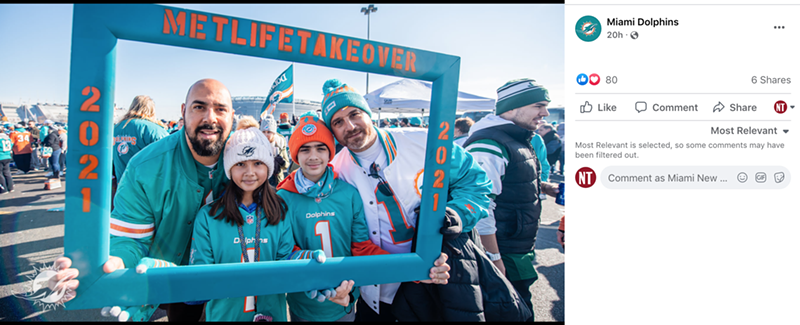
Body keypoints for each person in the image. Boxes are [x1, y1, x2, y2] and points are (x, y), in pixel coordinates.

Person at [52, 79, 237, 321]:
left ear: (232, 116)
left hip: (233, 275)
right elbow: (129, 238)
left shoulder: (250, 158)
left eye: (220, 109)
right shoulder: (145, 167)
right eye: (199, 107)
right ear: (183, 112)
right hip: (174, 276)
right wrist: (116, 262)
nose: (210, 118)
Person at [320, 79, 491, 321]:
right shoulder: (336, 169)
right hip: (375, 292)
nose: (350, 125)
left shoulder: (423, 141)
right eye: (338, 122)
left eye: (354, 114)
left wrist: (457, 215)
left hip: (436, 281)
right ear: (333, 131)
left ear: (367, 113)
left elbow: (475, 182)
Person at [189, 116, 353, 321]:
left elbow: (284, 259)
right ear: (229, 168)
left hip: (273, 315)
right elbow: (197, 283)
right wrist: (172, 277)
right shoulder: (209, 216)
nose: (250, 173)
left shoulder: (279, 209)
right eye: (240, 164)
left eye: (257, 163)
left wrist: (306, 263)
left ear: (268, 166)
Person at [277, 113, 390, 322]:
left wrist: (408, 267)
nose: (313, 156)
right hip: (304, 302)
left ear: (330, 152)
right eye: (305, 149)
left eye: (321, 148)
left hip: (344, 298)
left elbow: (361, 246)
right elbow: (283, 249)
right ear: (294, 154)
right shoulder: (283, 197)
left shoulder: (348, 193)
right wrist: (304, 262)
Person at [464, 78, 561, 322]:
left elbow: (511, 180)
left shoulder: (517, 136)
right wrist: (493, 258)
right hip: (504, 251)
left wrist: (545, 187)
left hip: (517, 247)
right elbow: (481, 207)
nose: (545, 113)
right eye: (538, 105)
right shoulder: (490, 143)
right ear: (512, 107)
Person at [113, 95, 170, 183]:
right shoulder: (154, 130)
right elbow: (171, 156)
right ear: (152, 110)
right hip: (146, 189)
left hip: (122, 187)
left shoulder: (116, 128)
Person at [259, 115, 290, 186]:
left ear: (274, 133)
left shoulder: (280, 142)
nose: (266, 135)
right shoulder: (258, 143)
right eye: (264, 132)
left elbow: (287, 164)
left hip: (277, 181)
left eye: (269, 132)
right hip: (262, 182)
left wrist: (281, 162)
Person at [531, 121, 550, 201]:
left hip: (533, 186)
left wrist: (541, 183)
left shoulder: (536, 139)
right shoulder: (537, 138)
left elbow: (543, 163)